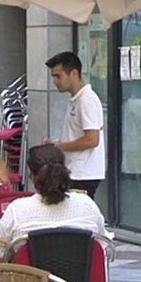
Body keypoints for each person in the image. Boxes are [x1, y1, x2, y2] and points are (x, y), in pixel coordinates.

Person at [0, 144, 108, 246]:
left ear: (33, 178)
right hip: (79, 269)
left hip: (31, 270)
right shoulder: (87, 205)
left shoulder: (17, 210)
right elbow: (104, 242)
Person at [44, 51, 105, 199]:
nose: (55, 81)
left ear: (74, 73)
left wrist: (60, 147)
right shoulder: (78, 99)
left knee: (76, 216)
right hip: (77, 170)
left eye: (58, 76)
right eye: (53, 77)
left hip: (83, 173)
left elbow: (92, 139)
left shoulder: (86, 100)